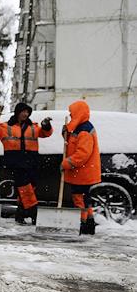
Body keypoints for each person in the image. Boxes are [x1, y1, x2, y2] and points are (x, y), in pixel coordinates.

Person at [0, 103, 53, 224]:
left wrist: (46, 126)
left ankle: (20, 214)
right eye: (23, 111)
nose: (25, 114)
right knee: (25, 188)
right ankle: (33, 213)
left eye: (27, 112)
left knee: (28, 189)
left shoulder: (33, 127)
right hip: (16, 163)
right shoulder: (6, 127)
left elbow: (46, 134)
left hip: (32, 162)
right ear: (17, 112)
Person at [61, 100, 101, 235]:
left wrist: (67, 163)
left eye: (72, 113)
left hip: (83, 173)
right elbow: (71, 142)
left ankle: (82, 225)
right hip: (81, 172)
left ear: (79, 113)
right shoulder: (79, 128)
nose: (71, 115)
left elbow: (82, 154)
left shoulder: (84, 130)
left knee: (80, 199)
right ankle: (89, 225)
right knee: (84, 199)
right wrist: (65, 132)